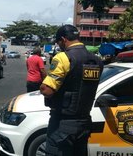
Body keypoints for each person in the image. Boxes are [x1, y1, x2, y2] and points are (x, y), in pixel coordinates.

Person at [40, 24, 103, 156]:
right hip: (84, 124)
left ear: (63, 39)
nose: (59, 45)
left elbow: (47, 90)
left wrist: (43, 83)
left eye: (58, 42)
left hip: (62, 125)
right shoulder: (97, 61)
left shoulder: (63, 57)